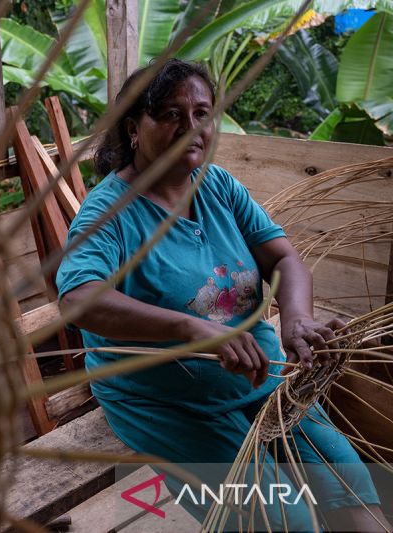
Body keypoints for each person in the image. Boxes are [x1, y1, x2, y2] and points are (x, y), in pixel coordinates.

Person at [56, 59, 389, 532]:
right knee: (285, 519)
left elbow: (285, 259)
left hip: (262, 376)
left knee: (350, 485)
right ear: (134, 128)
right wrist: (193, 327)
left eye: (201, 113)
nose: (190, 128)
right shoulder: (110, 213)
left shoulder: (216, 185)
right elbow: (77, 301)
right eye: (170, 114)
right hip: (169, 404)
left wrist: (296, 319)